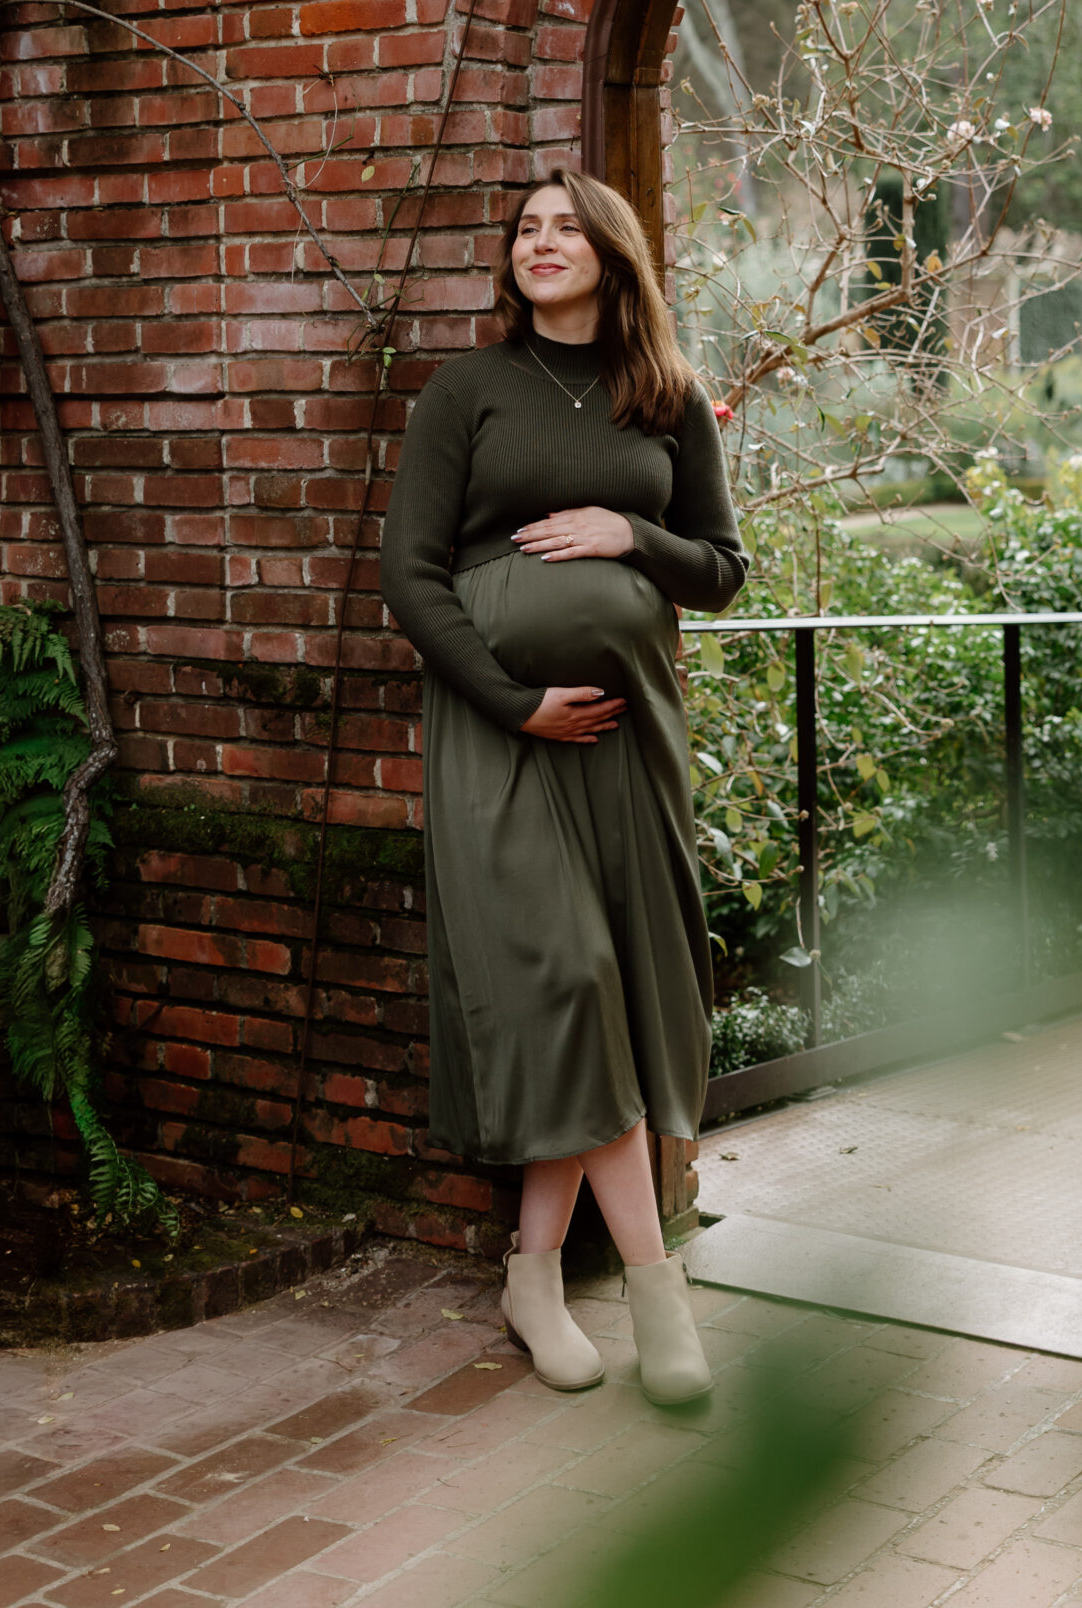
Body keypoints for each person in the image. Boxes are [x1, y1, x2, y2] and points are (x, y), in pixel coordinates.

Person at [379, 166, 747, 1404]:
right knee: (573, 980)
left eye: (564, 226)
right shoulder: (466, 391)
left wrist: (626, 532)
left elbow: (722, 570)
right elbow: (410, 575)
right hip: (502, 734)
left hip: (628, 738)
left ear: (612, 252)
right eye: (526, 229)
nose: (541, 242)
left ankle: (532, 1274)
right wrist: (512, 697)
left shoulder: (667, 396)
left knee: (625, 985)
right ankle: (660, 1293)